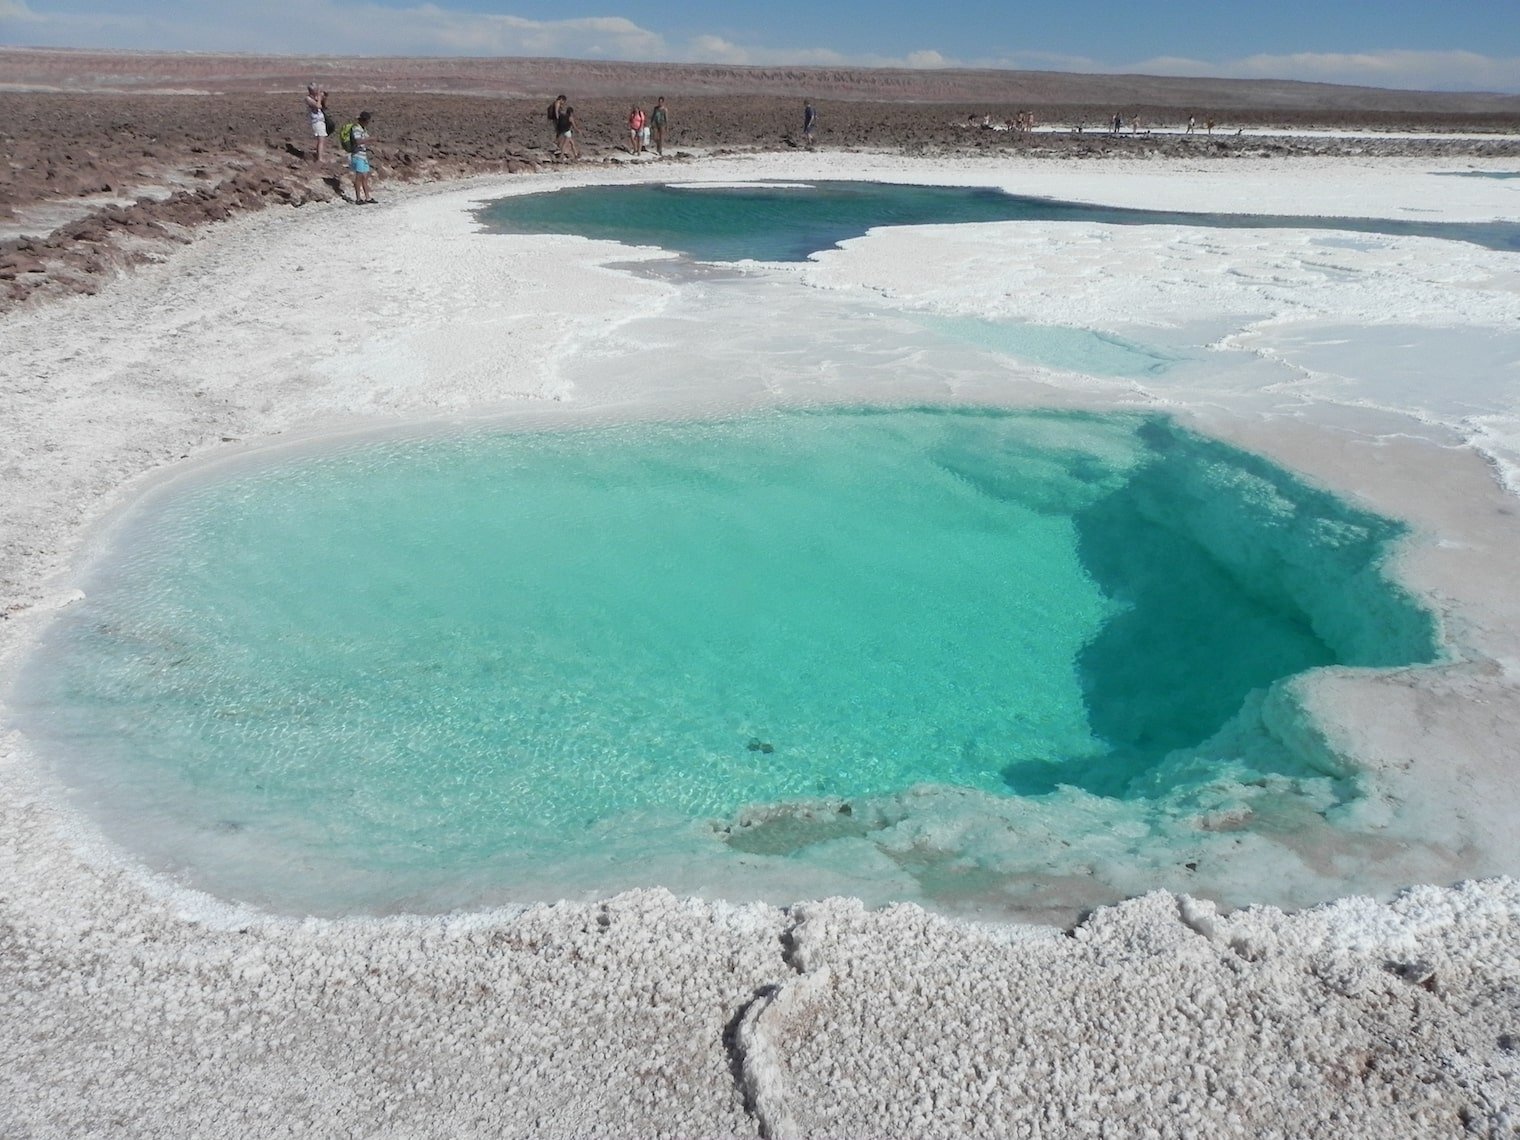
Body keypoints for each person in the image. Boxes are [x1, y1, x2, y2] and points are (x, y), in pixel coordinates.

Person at [348, 110, 376, 204]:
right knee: (359, 177)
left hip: (363, 156)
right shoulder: (356, 129)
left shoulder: (363, 129)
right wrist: (369, 139)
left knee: (365, 177)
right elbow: (358, 141)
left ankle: (367, 197)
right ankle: (358, 198)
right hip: (357, 155)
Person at [305, 83, 329, 162]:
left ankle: (319, 155)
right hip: (316, 121)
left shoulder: (316, 97)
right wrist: (319, 98)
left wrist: (324, 97)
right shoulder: (308, 98)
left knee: (322, 139)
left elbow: (324, 107)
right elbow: (318, 106)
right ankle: (319, 158)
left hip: (321, 120)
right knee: (321, 140)